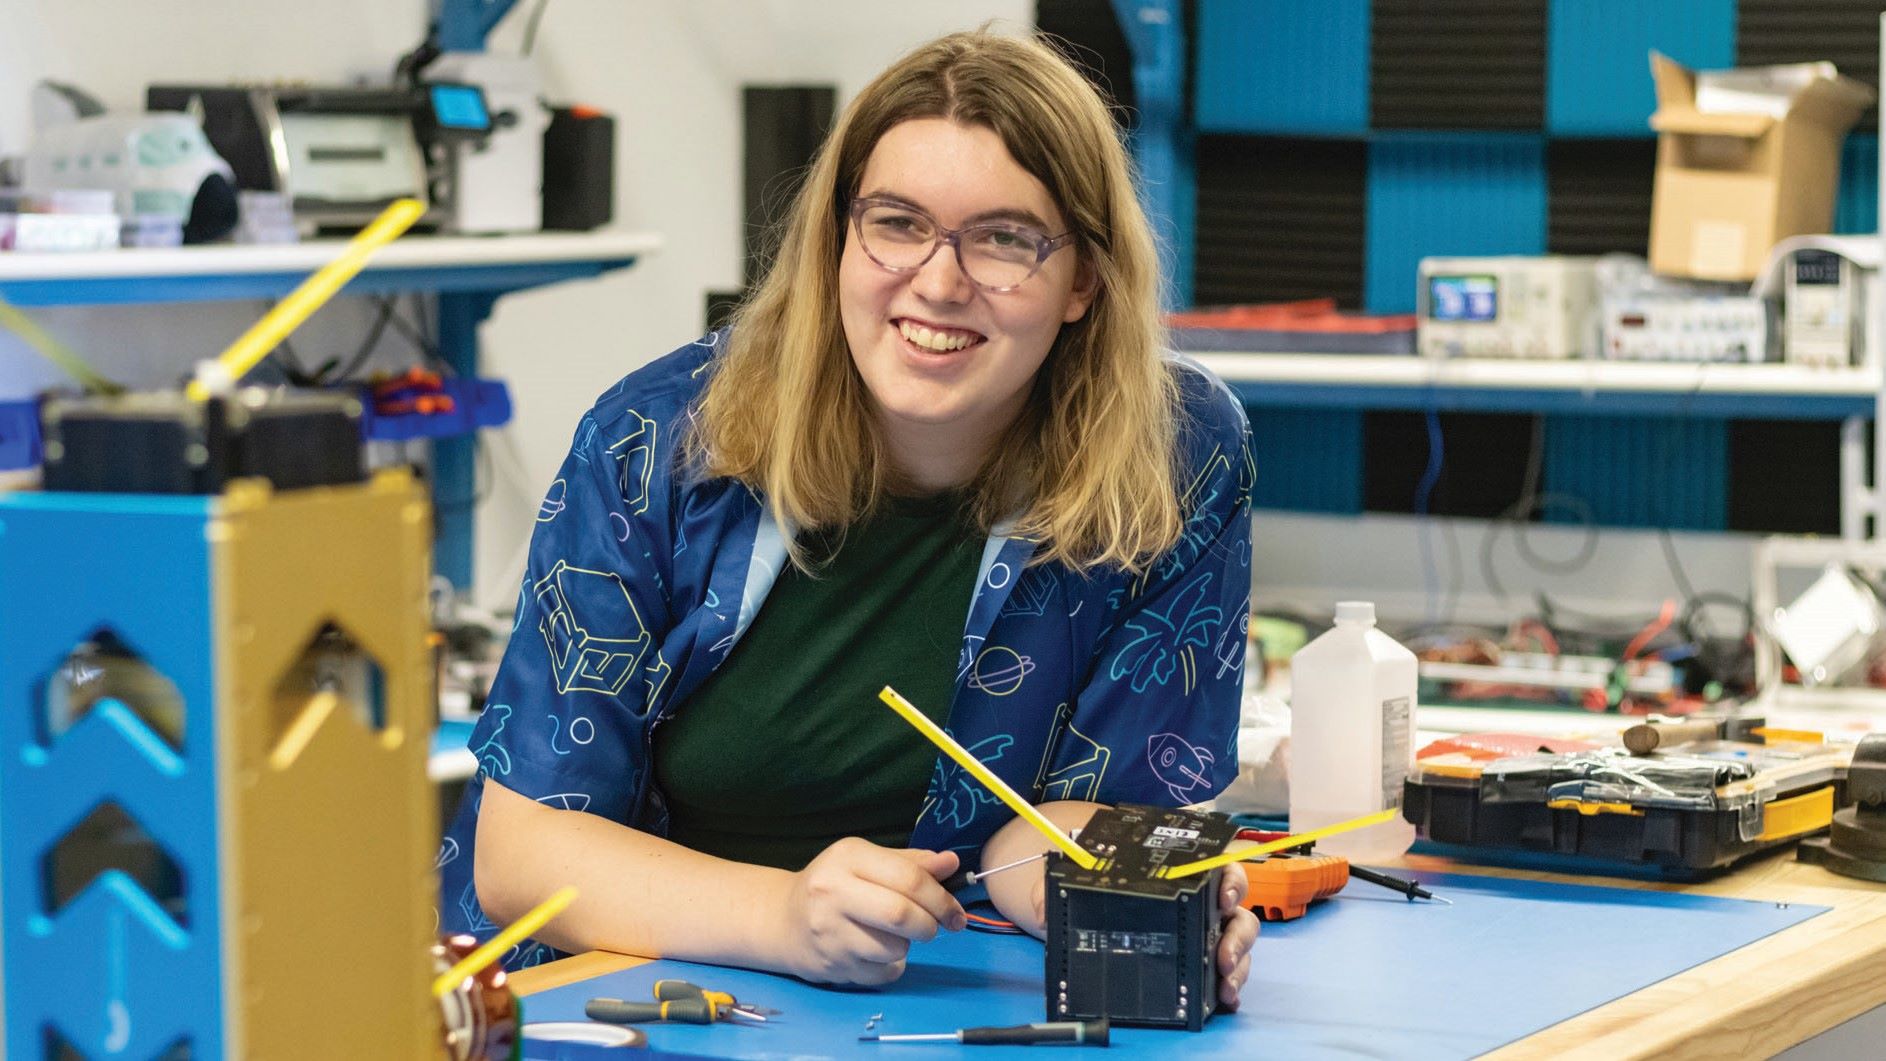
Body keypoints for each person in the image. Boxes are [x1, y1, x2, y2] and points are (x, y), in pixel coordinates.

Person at [438, 27, 1259, 1005]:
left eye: (1002, 238)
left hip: (932, 994)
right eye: (897, 223)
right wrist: (782, 915)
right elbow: (521, 851)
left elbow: (1053, 817)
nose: (939, 281)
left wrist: (1127, 888)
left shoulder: (1175, 455)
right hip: (624, 995)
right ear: (835, 239)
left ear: (1082, 278)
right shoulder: (657, 442)